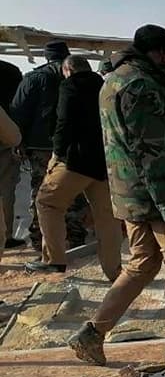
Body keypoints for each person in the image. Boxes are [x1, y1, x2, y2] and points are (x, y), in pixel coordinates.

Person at [67, 24, 165, 365]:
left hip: (130, 195)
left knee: (142, 264)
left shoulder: (114, 81)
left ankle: (92, 333)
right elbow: (154, 153)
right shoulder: (141, 87)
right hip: (156, 197)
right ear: (162, 53)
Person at [27, 56, 123, 277]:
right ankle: (115, 271)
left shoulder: (70, 86)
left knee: (47, 202)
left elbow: (64, 122)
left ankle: (54, 260)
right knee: (107, 218)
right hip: (104, 162)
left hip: (77, 161)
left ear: (67, 70)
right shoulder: (105, 86)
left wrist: (57, 155)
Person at [10, 40, 89, 250]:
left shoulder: (34, 78)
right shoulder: (82, 76)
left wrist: (19, 142)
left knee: (41, 193)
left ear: (46, 56)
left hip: (41, 147)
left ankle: (40, 242)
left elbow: (19, 111)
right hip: (76, 146)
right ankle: (75, 239)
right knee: (73, 192)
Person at [0, 60, 23, 249]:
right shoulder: (11, 71)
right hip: (5, 138)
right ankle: (6, 235)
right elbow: (19, 105)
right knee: (6, 189)